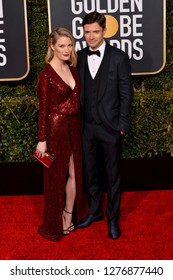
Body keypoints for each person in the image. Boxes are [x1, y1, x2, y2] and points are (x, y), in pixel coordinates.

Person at [76, 12, 132, 239]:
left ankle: (113, 218)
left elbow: (126, 93)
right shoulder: (78, 56)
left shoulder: (119, 57)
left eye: (95, 32)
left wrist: (122, 124)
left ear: (104, 31)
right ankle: (95, 211)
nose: (90, 37)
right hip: (86, 127)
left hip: (110, 127)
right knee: (90, 173)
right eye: (87, 32)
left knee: (113, 175)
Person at [35, 26, 83, 241]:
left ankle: (68, 215)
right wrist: (42, 141)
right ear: (52, 46)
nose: (66, 49)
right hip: (55, 130)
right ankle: (53, 223)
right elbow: (43, 109)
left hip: (74, 126)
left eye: (70, 45)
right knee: (55, 177)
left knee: (75, 172)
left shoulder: (72, 69)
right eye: (62, 45)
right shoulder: (45, 75)